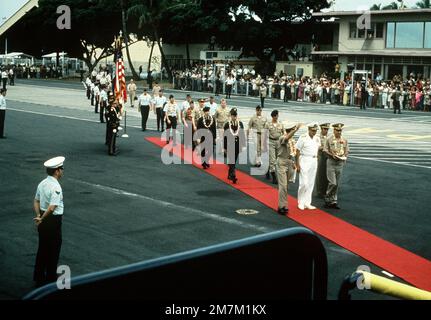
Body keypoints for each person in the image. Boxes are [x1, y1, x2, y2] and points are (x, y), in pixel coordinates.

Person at [33, 156, 65, 287]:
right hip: (52, 221)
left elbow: (36, 200)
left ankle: (38, 277)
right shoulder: (56, 187)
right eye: (61, 169)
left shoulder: (42, 183)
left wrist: (38, 215)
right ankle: (51, 278)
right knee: (53, 249)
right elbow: (52, 207)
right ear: (57, 171)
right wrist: (42, 217)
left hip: (42, 219)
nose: (62, 171)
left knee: (42, 248)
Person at [295, 122, 321, 210]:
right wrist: (297, 164)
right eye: (313, 130)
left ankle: (307, 202)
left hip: (314, 160)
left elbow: (318, 149)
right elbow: (297, 151)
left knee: (310, 183)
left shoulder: (317, 138)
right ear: (309, 129)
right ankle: (300, 202)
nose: (314, 132)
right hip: (304, 160)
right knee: (304, 183)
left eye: (315, 130)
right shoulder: (303, 137)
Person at [277, 123, 301, 215]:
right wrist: (296, 130)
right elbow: (286, 139)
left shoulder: (292, 140)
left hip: (289, 162)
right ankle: (281, 206)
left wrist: (295, 163)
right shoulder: (282, 138)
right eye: (292, 129)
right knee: (283, 185)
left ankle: (285, 205)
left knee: (286, 186)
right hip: (282, 162)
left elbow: (293, 152)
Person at [324, 123, 349, 209]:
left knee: (337, 183)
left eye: (340, 130)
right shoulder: (329, 139)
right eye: (337, 130)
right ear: (334, 130)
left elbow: (346, 150)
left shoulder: (344, 140)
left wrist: (345, 156)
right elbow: (325, 150)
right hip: (331, 162)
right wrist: (331, 154)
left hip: (340, 163)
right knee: (332, 182)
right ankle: (327, 198)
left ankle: (334, 200)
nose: (339, 132)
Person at [223, 108, 246, 184]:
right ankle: (233, 175)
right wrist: (225, 147)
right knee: (232, 160)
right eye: (233, 116)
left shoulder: (240, 124)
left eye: (235, 116)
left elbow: (242, 135)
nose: (234, 117)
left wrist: (242, 145)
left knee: (233, 160)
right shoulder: (227, 124)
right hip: (230, 144)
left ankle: (229, 174)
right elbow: (225, 137)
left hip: (237, 145)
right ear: (231, 116)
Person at [263, 110, 284, 184]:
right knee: (272, 160)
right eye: (276, 116)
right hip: (270, 142)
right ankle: (274, 177)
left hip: (278, 142)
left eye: (277, 115)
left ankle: (268, 170)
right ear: (273, 116)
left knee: (276, 159)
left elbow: (283, 133)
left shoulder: (280, 124)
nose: (277, 117)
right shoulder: (268, 124)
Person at [315, 123, 330, 198]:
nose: (326, 131)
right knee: (320, 174)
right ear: (321, 129)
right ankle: (320, 192)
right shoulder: (317, 137)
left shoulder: (329, 137)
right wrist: (324, 147)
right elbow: (316, 147)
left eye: (327, 129)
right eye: (325, 129)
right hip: (320, 156)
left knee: (327, 174)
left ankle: (325, 190)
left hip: (327, 156)